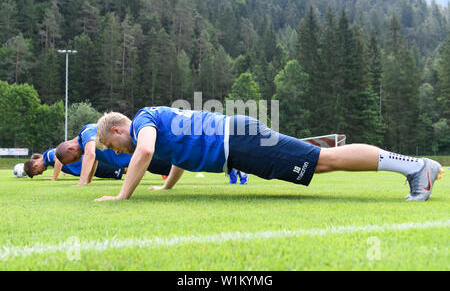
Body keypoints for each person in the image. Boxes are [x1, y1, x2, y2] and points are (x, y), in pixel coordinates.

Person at [93, 106, 444, 202]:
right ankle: (417, 169)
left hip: (239, 141)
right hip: (238, 144)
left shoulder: (142, 124)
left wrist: (123, 195)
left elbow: (148, 150)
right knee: (319, 164)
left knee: (324, 161)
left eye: (114, 147)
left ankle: (418, 169)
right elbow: (178, 155)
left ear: (117, 130)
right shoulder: (151, 119)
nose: (120, 152)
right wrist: (167, 186)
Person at [55, 123, 172, 186]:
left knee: (179, 164)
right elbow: (93, 159)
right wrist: (88, 180)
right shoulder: (86, 146)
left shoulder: (86, 132)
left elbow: (90, 155)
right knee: (174, 168)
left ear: (70, 148)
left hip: (143, 154)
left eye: (75, 158)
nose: (78, 160)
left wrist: (80, 183)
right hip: (141, 162)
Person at [24, 148, 125, 180]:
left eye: (37, 173)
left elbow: (58, 159)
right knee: (121, 171)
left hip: (90, 165)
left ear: (35, 166)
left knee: (123, 169)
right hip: (89, 169)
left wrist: (53, 179)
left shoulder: (49, 155)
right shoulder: (47, 158)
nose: (40, 173)